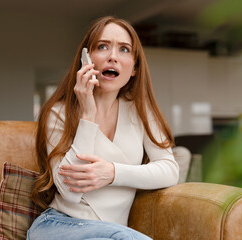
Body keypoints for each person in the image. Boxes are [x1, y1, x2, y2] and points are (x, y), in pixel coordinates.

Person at [28, 16, 179, 240]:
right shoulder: (58, 113)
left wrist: (112, 172)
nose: (112, 57)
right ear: (86, 59)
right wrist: (87, 116)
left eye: (124, 50)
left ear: (135, 67)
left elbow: (169, 170)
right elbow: (69, 194)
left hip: (109, 235)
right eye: (102, 47)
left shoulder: (140, 112)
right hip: (57, 226)